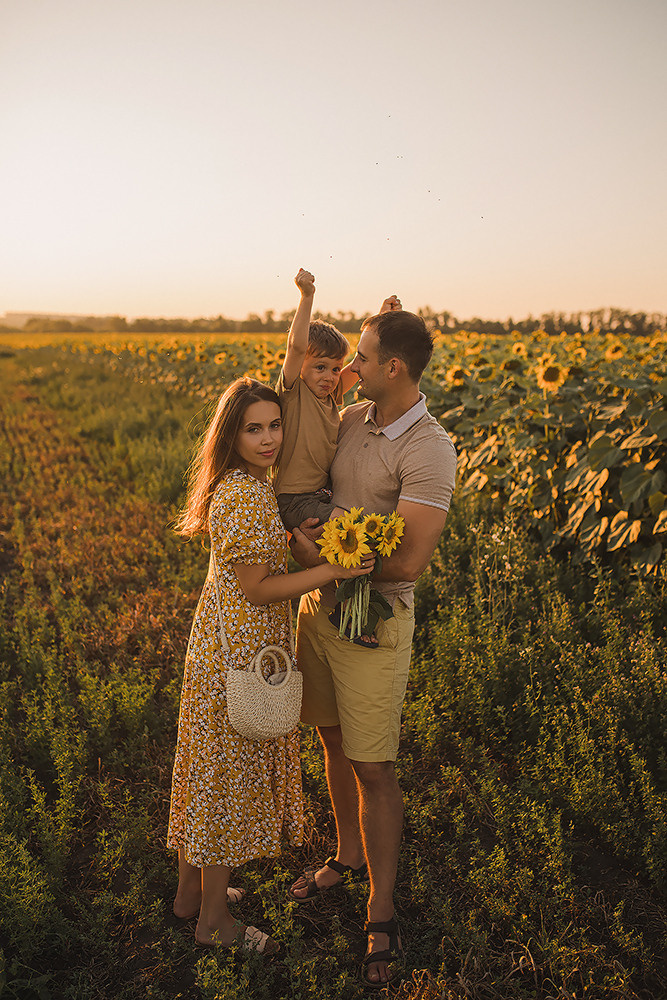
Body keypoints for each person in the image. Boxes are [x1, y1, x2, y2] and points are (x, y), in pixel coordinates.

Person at [167, 377, 374, 955]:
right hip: (236, 652)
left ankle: (190, 895)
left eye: (275, 425)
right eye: (252, 429)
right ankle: (214, 923)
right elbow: (257, 588)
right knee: (225, 781)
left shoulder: (248, 485)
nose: (268, 439)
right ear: (230, 436)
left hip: (224, 642)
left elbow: (253, 562)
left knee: (208, 772)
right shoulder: (243, 493)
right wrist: (332, 570)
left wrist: (291, 537)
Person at [287, 310, 457, 986]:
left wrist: (317, 559)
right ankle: (347, 854)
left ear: (394, 368)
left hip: (374, 622)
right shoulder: (353, 417)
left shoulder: (429, 447)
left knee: (374, 766)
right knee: (330, 739)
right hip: (318, 608)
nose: (351, 366)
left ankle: (380, 909)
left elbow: (408, 560)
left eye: (361, 357)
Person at [274, 267, 401, 647]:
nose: (329, 376)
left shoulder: (331, 396)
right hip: (294, 499)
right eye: (319, 367)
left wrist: (381, 319)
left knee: (354, 537)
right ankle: (351, 615)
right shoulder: (293, 394)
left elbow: (360, 365)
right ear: (301, 368)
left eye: (333, 369)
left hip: (317, 495)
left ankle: (351, 611)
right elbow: (296, 347)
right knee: (353, 532)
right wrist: (307, 296)